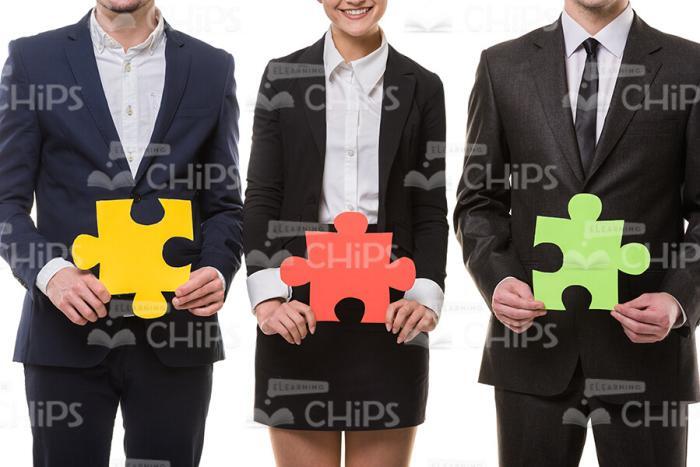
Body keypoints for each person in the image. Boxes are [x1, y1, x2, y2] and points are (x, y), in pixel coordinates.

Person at [454, 1, 700, 465]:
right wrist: (499, 279)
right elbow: (477, 201)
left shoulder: (691, 66)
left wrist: (679, 299)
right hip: (532, 347)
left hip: (647, 354)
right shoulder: (501, 64)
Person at [0, 1, 243, 466]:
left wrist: (216, 265)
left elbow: (225, 204)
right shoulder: (34, 59)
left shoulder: (212, 65)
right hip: (65, 334)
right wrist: (52, 275)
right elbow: (5, 203)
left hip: (177, 331)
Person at [243, 1, 448, 465]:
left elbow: (430, 206)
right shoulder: (283, 75)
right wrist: (267, 295)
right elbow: (261, 195)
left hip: (392, 307)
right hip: (299, 305)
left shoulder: (424, 85)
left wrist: (426, 293)